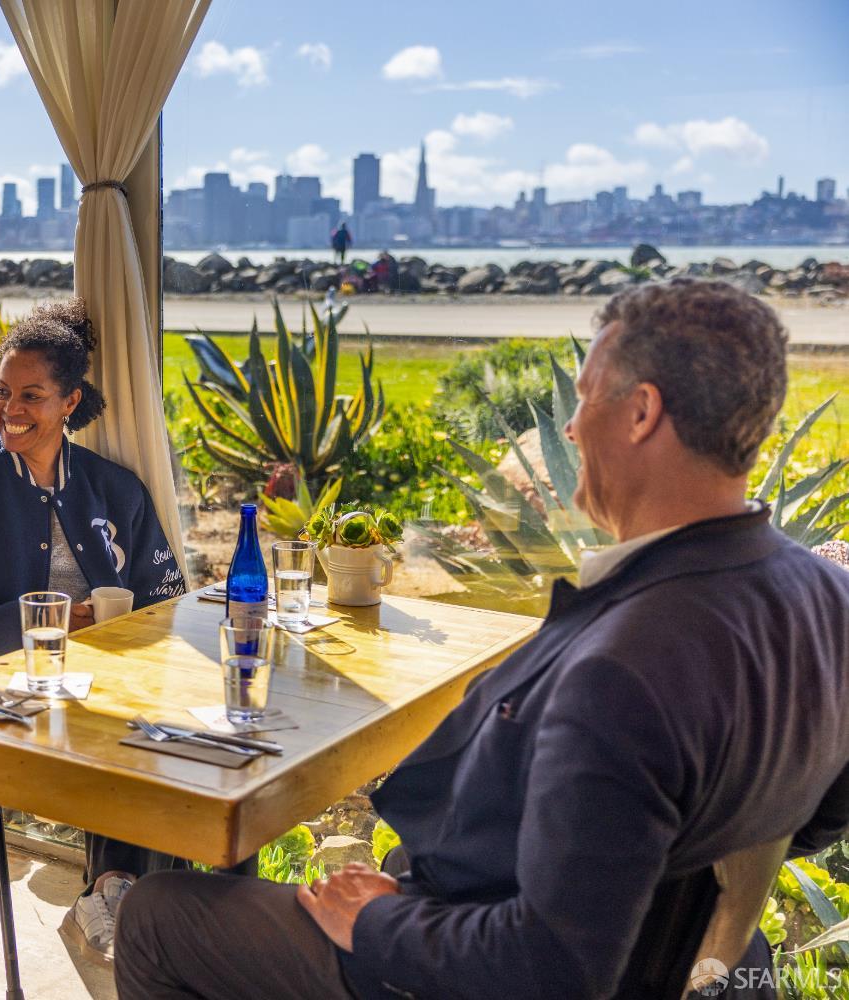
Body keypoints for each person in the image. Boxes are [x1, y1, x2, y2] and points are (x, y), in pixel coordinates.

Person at [114, 278, 849, 999]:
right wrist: (675, 878)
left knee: (155, 915)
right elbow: (819, 815)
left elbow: (551, 967)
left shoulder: (625, 664)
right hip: (653, 952)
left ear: (641, 413)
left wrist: (378, 922)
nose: (570, 428)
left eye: (586, 398)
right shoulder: (828, 600)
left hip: (457, 958)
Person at [0, 298, 187, 966]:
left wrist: (128, 635)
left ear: (69, 402)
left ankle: (135, 895)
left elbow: (163, 593)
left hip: (96, 681)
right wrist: (51, 625)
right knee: (123, 726)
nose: (10, 409)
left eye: (31, 395)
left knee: (190, 731)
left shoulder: (115, 489)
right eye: (3, 392)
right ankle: (118, 889)